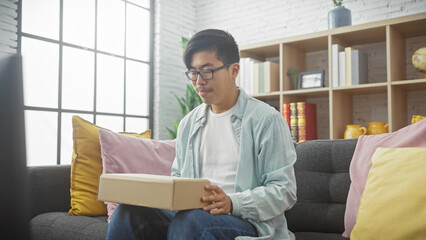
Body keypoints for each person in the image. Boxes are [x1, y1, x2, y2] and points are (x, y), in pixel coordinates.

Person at [107, 29, 297, 240]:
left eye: (207, 71)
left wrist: (232, 202)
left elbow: (284, 191)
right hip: (193, 213)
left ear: (234, 71)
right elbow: (178, 177)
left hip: (249, 222)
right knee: (127, 212)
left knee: (191, 221)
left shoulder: (267, 120)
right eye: (193, 73)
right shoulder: (189, 123)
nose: (199, 81)